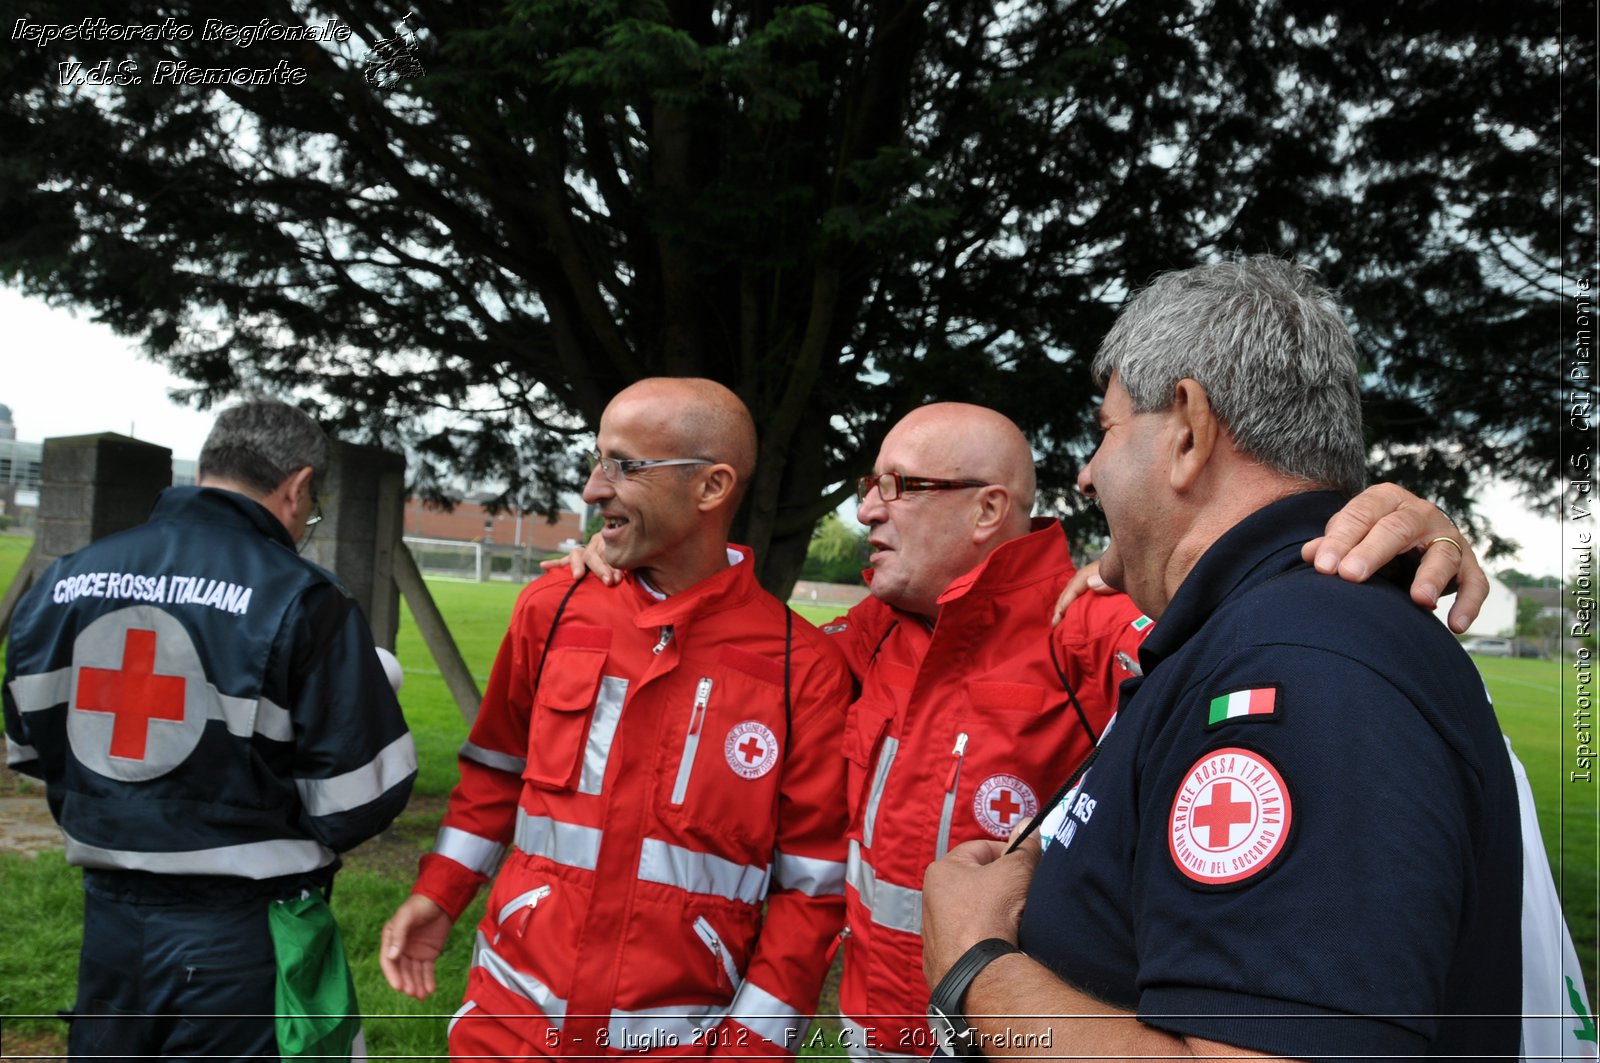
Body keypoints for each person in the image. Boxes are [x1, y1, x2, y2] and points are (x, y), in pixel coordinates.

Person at [557, 401, 1484, 1061]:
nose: (866, 511)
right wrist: (647, 564)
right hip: (869, 1034)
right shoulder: (856, 642)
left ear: (990, 509)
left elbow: (1249, 631)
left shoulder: (1081, 625)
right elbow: (739, 648)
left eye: (899, 486)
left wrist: (1367, 547)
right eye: (868, 485)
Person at [921, 257, 1521, 1059]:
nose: (1088, 472)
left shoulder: (1299, 666)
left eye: (1103, 430)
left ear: (1189, 430)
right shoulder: (1268, 628)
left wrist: (975, 967)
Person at [379, 378, 853, 1059]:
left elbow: (814, 889)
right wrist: (440, 893)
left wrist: (754, 1046)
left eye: (625, 465)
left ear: (712, 487)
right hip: (508, 1030)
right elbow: (493, 773)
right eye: (599, 459)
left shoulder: (798, 668)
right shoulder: (553, 608)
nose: (594, 488)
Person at [2, 399, 416, 1060]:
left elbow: (29, 746)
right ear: (299, 485)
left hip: (107, 928)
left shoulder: (62, 580)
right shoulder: (304, 597)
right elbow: (357, 799)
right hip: (240, 940)